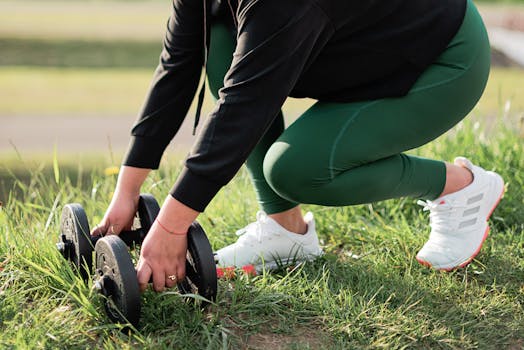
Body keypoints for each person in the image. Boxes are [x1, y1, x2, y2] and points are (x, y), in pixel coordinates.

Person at [91, 0, 505, 292]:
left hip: (441, 60)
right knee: (216, 38)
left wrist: (170, 227)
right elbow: (178, 66)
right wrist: (126, 193)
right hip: (360, 52)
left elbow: (243, 108)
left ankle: (460, 187)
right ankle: (284, 230)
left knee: (295, 169)